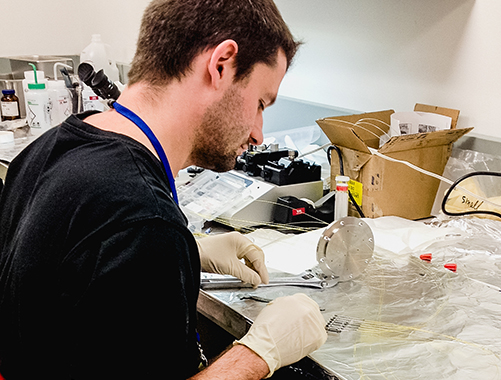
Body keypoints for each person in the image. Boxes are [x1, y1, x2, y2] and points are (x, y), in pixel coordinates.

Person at [0, 0, 327, 379]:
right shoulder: (143, 224)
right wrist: (259, 354)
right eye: (259, 103)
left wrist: (185, 251)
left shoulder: (52, 147)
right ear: (221, 65)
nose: (258, 132)